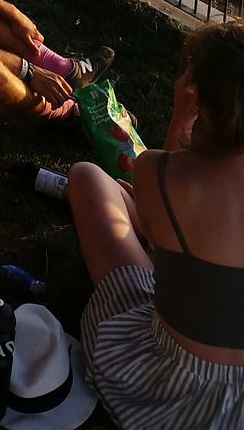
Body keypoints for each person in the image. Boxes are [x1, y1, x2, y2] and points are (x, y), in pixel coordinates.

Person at [68, 21, 244, 429]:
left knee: (88, 178)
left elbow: (149, 230)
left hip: (169, 386)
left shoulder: (161, 171)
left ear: (196, 93)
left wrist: (180, 120)